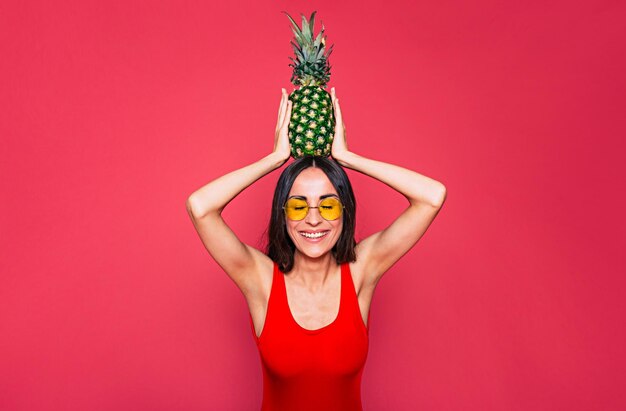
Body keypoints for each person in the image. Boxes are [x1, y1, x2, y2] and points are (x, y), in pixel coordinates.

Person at [186, 87, 447, 410]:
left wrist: (349, 158)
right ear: (282, 214)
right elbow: (200, 207)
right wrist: (274, 160)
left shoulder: (362, 270)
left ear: (345, 211)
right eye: (298, 207)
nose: (313, 220)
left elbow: (432, 196)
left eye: (328, 206)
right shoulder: (260, 279)